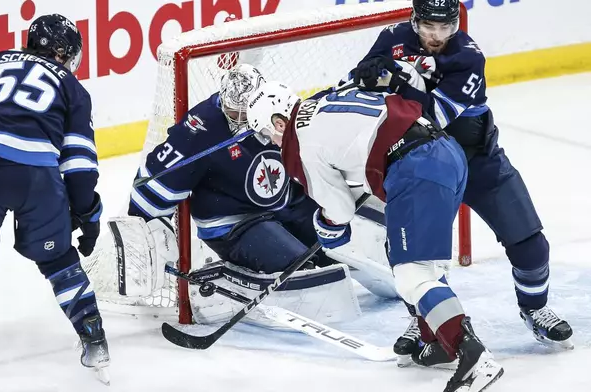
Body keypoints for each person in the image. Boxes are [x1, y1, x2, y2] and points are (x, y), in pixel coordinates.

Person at [245, 71, 504, 391]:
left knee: (413, 276)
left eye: (267, 132)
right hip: (446, 151)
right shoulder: (325, 100)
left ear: (279, 121)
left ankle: (472, 356)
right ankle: (437, 340)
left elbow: (339, 211)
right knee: (413, 259)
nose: (271, 141)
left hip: (415, 168)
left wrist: (324, 226)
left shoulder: (300, 143)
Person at [349, 0, 573, 365]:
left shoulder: (468, 57)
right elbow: (360, 84)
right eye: (429, 28)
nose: (437, 37)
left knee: (531, 245)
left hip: (478, 160)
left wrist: (396, 79)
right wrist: (365, 76)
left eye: (446, 28)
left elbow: (430, 116)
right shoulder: (392, 38)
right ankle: (424, 319)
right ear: (414, 20)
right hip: (423, 168)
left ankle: (535, 310)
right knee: (412, 259)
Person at [95, 63, 396, 326]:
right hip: (237, 223)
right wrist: (143, 233)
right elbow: (151, 190)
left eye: (246, 111)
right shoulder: (200, 131)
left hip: (287, 202)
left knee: (348, 241)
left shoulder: (274, 109)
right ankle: (234, 278)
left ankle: (394, 277)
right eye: (232, 113)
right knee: (303, 270)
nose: (240, 120)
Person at [0, 14, 109, 384]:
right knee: (59, 261)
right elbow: (80, 166)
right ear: (68, 52)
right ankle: (94, 339)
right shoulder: (73, 87)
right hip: (37, 177)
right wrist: (88, 213)